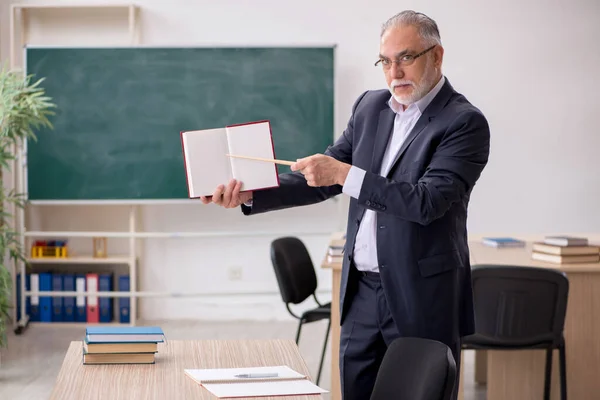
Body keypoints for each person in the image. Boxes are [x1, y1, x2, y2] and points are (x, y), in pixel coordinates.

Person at [201, 10, 490, 400]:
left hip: (421, 296)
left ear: (436, 56)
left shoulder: (464, 123)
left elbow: (426, 202)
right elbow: (321, 180)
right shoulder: (369, 107)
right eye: (385, 61)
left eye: (406, 57)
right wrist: (251, 194)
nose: (394, 72)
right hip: (361, 295)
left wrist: (343, 174)